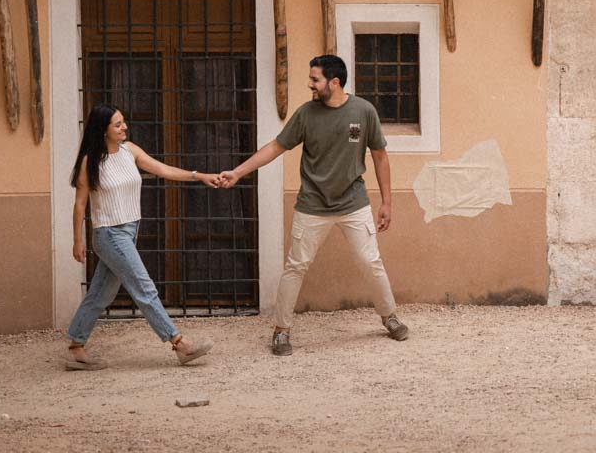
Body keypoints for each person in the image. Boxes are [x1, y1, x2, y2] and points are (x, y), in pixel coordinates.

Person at [217, 54, 409, 356]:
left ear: (334, 82)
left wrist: (387, 202)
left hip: (353, 203)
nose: (310, 84)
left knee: (371, 262)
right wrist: (239, 173)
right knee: (296, 266)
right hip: (312, 205)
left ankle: (390, 316)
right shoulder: (306, 114)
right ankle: (281, 331)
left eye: (315, 79)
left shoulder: (364, 111)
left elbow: (380, 156)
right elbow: (275, 147)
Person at [64, 103, 217, 370]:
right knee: (144, 287)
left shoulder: (129, 151)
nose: (125, 127)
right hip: (109, 233)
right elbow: (80, 204)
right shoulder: (90, 161)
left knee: (100, 294)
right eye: (118, 124)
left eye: (123, 122)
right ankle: (179, 344)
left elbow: (163, 170)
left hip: (129, 231)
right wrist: (78, 241)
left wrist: (199, 176)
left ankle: (76, 347)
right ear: (103, 130)